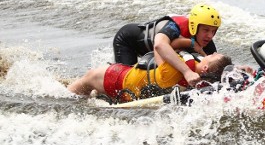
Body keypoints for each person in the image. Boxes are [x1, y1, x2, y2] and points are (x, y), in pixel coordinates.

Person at [112, 3, 221, 86]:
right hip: (127, 41)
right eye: (206, 30)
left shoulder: (205, 38)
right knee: (125, 80)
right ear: (194, 26)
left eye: (213, 31)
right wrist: (186, 72)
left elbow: (216, 64)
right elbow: (159, 45)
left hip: (151, 51)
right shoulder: (174, 27)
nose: (210, 35)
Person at [67, 50, 233, 101]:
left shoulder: (179, 66)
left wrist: (184, 43)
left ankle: (60, 94)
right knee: (91, 92)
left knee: (81, 85)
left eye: (212, 56)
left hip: (117, 78)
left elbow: (159, 47)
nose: (212, 52)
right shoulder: (200, 85)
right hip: (132, 90)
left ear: (204, 68)